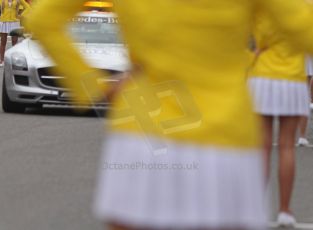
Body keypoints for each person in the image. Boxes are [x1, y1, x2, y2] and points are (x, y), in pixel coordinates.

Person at [26, 1, 313, 230]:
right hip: (224, 132)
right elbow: (303, 29)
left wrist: (94, 87)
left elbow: (42, 20)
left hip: (143, 125)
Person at [248, 12, 311, 227]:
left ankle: (256, 207)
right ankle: (285, 209)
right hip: (292, 78)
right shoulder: (305, 5)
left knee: (263, 146)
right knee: (286, 146)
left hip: (263, 74)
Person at [0, 0, 30, 67]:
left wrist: (21, 16)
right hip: (3, 22)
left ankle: (14, 61)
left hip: (14, 22)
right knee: (3, 42)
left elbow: (28, 7)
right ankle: (2, 61)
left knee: (14, 43)